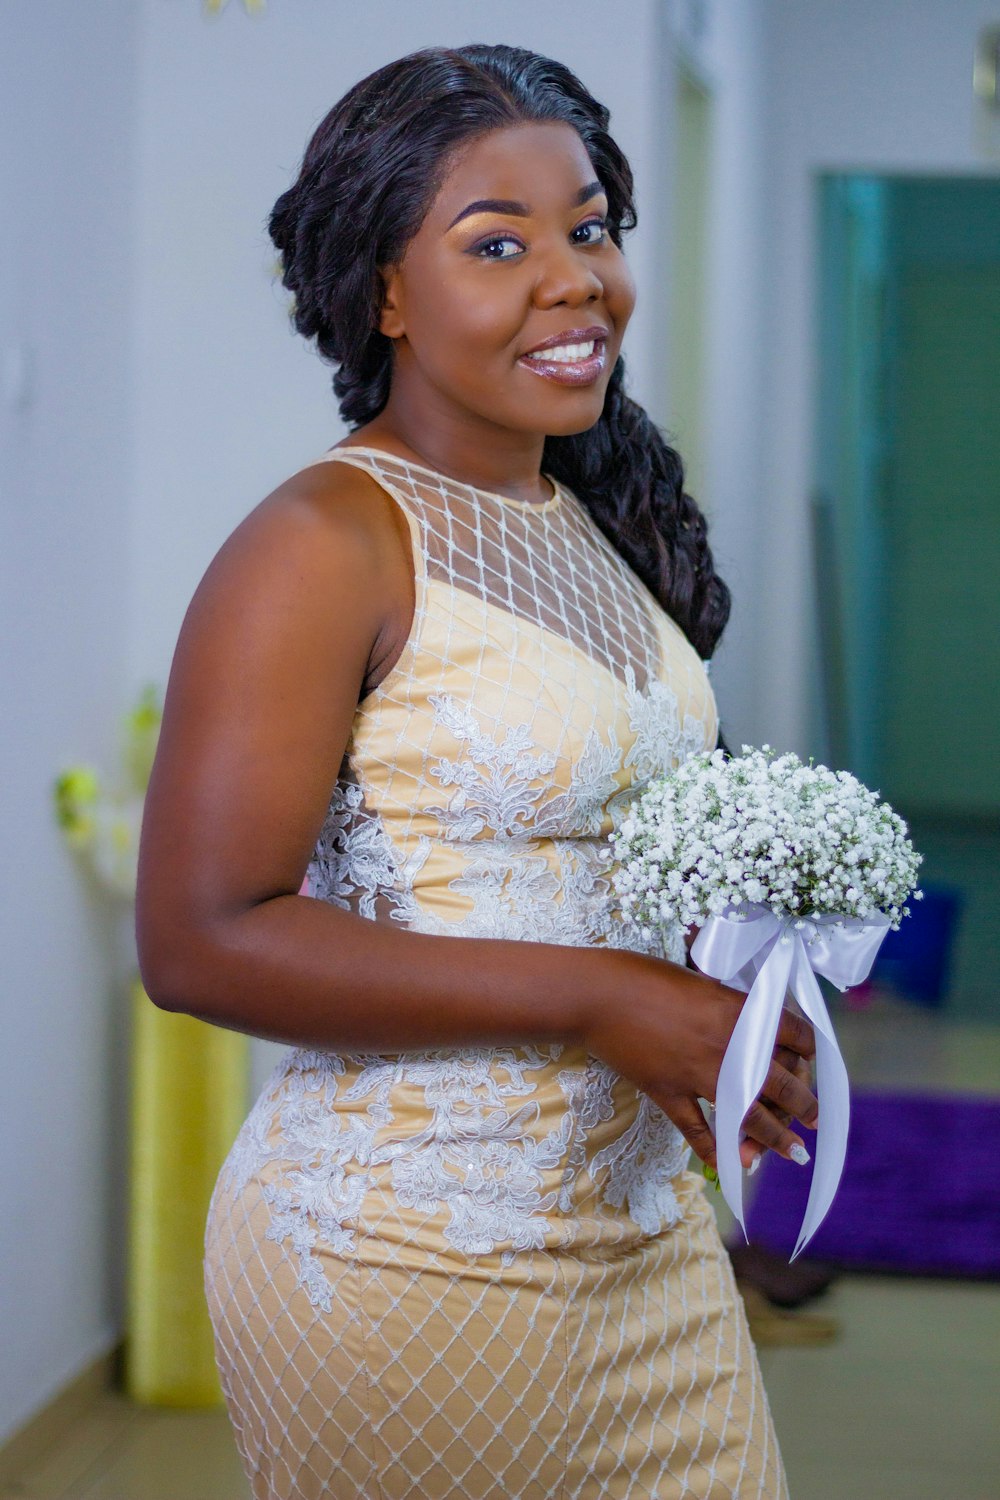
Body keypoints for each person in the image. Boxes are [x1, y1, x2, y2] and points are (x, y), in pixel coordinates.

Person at [135, 42, 819, 1499]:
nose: (572, 278)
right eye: (495, 244)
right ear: (385, 289)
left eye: (588, 228)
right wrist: (600, 997)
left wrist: (728, 1005)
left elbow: (568, 860)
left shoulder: (589, 525)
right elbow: (202, 937)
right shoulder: (323, 541)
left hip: (645, 1241)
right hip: (411, 1253)